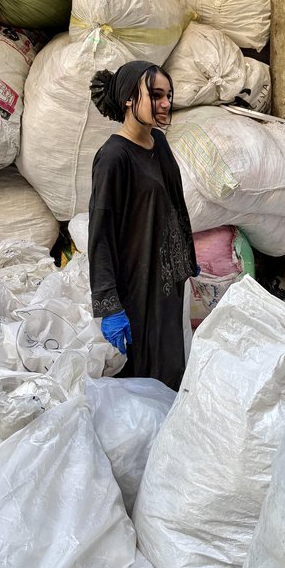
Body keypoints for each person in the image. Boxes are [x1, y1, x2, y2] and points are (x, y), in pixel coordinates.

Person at [88, 60, 198, 391]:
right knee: (139, 378)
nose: (165, 103)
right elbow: (100, 234)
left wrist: (185, 261)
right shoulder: (113, 157)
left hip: (166, 283)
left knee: (170, 368)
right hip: (133, 288)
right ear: (128, 99)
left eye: (168, 95)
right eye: (155, 95)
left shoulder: (159, 144)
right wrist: (109, 306)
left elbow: (175, 207)